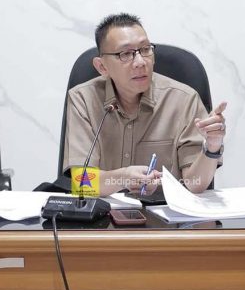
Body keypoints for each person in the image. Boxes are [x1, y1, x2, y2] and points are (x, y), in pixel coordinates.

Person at [63, 13, 227, 196]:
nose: (140, 62)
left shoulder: (184, 99)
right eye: (125, 54)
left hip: (165, 212)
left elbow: (195, 184)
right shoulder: (83, 99)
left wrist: (212, 146)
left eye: (145, 49)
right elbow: (82, 183)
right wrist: (123, 178)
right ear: (102, 67)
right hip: (105, 212)